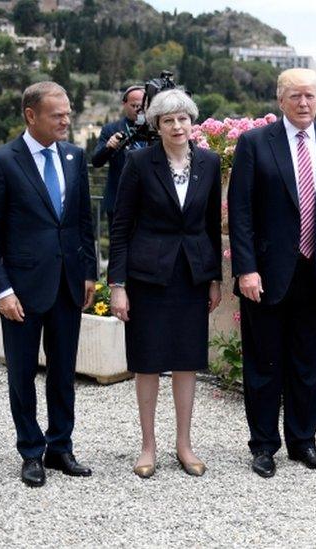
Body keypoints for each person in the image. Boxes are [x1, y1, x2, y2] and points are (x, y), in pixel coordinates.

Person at [229, 68, 316, 477]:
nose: (303, 103)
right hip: (265, 275)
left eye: (310, 96)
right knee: (264, 363)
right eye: (295, 96)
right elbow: (241, 213)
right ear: (280, 100)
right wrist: (246, 269)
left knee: (308, 364)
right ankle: (264, 445)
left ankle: (303, 442)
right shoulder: (254, 143)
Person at [0, 81, 97, 487]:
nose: (66, 120)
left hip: (67, 285)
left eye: (68, 113)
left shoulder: (75, 157)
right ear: (31, 115)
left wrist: (89, 273)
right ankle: (31, 450)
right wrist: (1, 291)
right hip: (21, 292)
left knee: (63, 372)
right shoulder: (0, 162)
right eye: (57, 114)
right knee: (22, 375)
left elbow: (83, 223)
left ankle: (61, 447)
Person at [108, 89, 222, 478]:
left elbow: (210, 226)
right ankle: (147, 446)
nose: (177, 126)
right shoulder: (139, 163)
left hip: (192, 275)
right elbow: (120, 226)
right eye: (168, 120)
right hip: (147, 277)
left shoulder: (210, 162)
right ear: (157, 126)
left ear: (193, 123)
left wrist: (214, 279)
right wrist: (117, 284)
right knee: (149, 362)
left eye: (183, 119)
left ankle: (184, 444)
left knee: (188, 361)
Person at [92, 85, 148, 226]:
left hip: (149, 202)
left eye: (141, 105)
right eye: (134, 105)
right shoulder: (111, 129)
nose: (138, 109)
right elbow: (96, 162)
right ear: (124, 104)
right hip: (118, 201)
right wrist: (109, 147)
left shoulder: (156, 129)